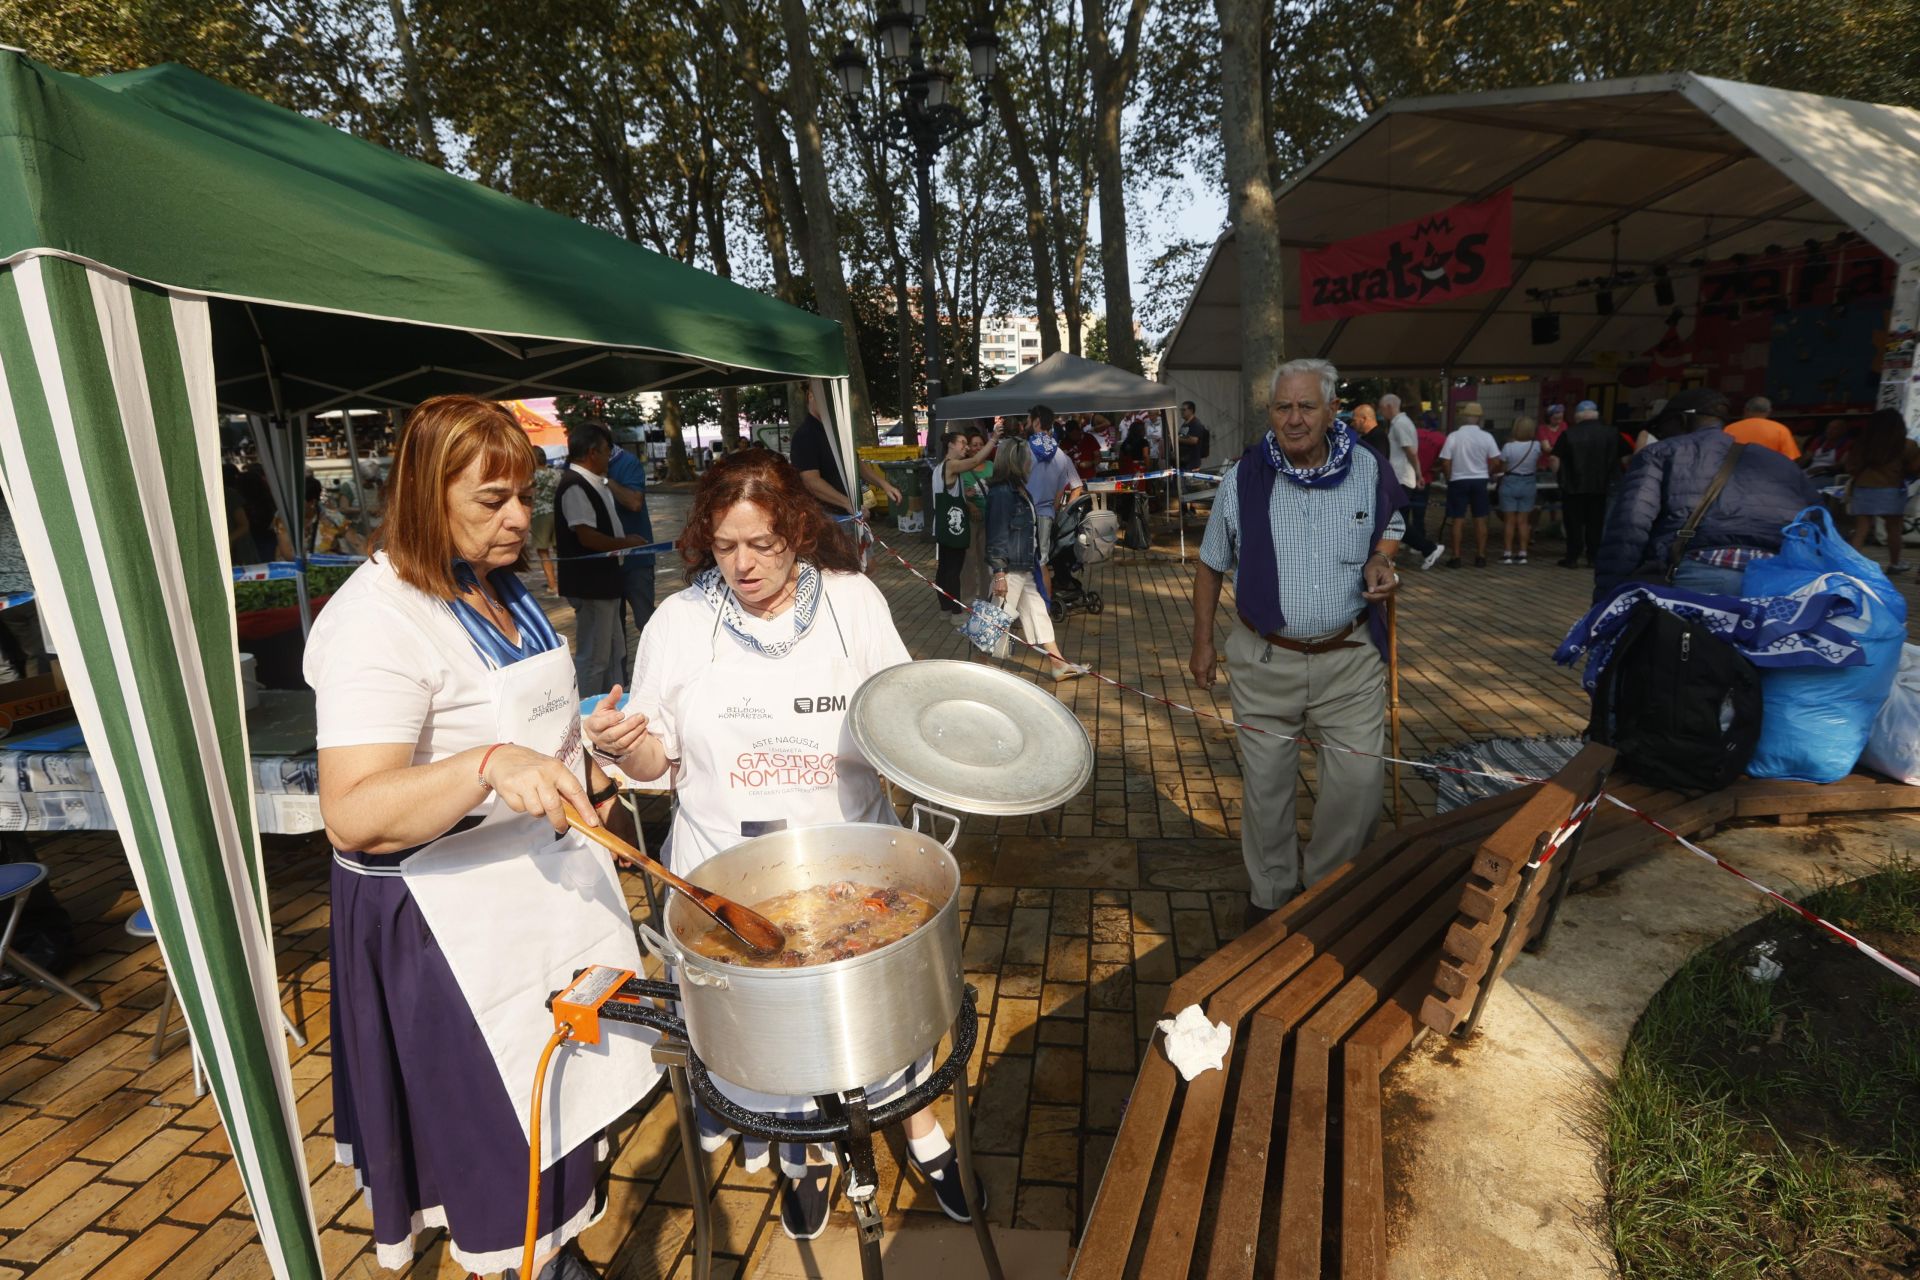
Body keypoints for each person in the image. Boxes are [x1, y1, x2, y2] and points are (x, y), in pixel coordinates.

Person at [585, 450, 979, 1238]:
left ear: (796, 530)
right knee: (776, 1042)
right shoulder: (680, 623)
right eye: (726, 546)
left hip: (855, 864)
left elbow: (898, 716)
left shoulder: (851, 602)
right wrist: (620, 747)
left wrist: (947, 753)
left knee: (881, 1018)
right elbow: (656, 765)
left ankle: (920, 1131)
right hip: (728, 884)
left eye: (761, 544)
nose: (744, 565)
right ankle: (808, 1157)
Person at [307, 395, 643, 1279]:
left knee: (560, 1113)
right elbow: (353, 810)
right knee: (500, 1145)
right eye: (492, 499)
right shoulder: (374, 624)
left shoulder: (493, 585)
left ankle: (556, 1252)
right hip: (448, 932)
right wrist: (487, 763)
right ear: (424, 493)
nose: (520, 519)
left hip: (539, 895)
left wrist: (587, 756)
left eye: (525, 496)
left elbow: (525, 720)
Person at [1188, 358, 1405, 929]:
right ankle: (1271, 895)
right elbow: (1211, 565)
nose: (1294, 418)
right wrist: (1203, 643)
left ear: (1332, 409)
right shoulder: (1244, 477)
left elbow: (1395, 524)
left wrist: (1383, 556)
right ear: (1271, 413)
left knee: (1357, 785)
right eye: (1283, 407)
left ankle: (1326, 892)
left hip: (1350, 657)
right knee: (1266, 790)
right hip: (1265, 660)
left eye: (1307, 405)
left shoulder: (1368, 469)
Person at [1594, 388, 1818, 598]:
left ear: (1682, 420)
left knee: (1677, 639)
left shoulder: (1661, 453)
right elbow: (1817, 523)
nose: (1661, 436)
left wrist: (1608, 594)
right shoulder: (1780, 463)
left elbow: (1631, 524)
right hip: (1777, 580)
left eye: (1661, 429)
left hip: (1700, 572)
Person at [556, 422, 653, 698]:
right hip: (592, 584)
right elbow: (587, 537)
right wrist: (626, 543)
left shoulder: (593, 483)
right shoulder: (575, 485)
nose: (610, 458)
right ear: (592, 453)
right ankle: (587, 710)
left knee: (614, 650)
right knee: (595, 656)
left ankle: (615, 701)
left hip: (606, 582)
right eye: (607, 451)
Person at [985, 434, 1089, 681]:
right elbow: (997, 535)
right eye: (1027, 458)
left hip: (1024, 564)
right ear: (1017, 461)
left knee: (1038, 612)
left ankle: (1058, 663)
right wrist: (999, 574)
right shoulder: (1003, 493)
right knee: (995, 621)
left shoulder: (1018, 489)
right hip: (1009, 568)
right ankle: (980, 668)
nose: (1031, 463)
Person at [789, 384, 901, 516]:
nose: (830, 403)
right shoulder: (805, 435)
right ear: (811, 396)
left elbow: (855, 463)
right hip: (824, 517)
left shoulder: (836, 431)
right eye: (825, 398)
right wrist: (847, 503)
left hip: (848, 513)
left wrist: (884, 485)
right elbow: (811, 481)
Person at [1552, 400, 1628, 569]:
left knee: (1574, 523)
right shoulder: (1612, 433)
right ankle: (1593, 556)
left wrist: (1559, 476)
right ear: (1596, 415)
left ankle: (1572, 557)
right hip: (1602, 485)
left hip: (1573, 486)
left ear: (1577, 417)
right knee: (1596, 523)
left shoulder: (1568, 434)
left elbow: (1554, 458)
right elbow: (1625, 458)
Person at [1844, 408, 1920, 572]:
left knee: (1861, 529)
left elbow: (1850, 466)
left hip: (1863, 488)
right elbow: (1916, 468)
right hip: (1891, 489)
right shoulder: (1906, 444)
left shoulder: (1862, 444)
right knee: (1894, 529)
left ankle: (1848, 566)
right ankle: (1895, 563)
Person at [932, 427, 994, 622]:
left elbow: (947, 493)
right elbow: (975, 461)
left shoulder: (939, 468)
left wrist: (963, 496)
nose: (966, 447)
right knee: (953, 569)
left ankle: (945, 609)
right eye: (963, 443)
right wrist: (994, 440)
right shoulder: (951, 465)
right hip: (954, 526)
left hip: (942, 524)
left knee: (944, 568)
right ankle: (957, 612)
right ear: (951, 445)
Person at [604, 437, 657, 659]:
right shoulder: (578, 468)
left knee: (645, 621)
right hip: (605, 562)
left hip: (636, 559)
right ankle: (620, 681)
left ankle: (659, 670)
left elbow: (635, 502)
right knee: (611, 632)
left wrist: (605, 480)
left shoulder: (628, 463)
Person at [1023, 404, 1085, 586]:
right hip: (1047, 515)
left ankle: (1031, 607)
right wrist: (1059, 511)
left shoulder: (1023, 451)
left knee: (1023, 566)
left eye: (1027, 420)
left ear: (1035, 422)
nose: (1025, 424)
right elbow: (1075, 487)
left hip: (1024, 515)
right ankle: (1045, 607)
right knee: (1042, 563)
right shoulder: (1060, 455)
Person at [1438, 402, 1502, 568]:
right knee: (1480, 518)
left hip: (1458, 480)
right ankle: (1480, 555)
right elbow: (1496, 460)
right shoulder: (1487, 437)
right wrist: (1487, 472)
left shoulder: (1454, 436)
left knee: (1457, 519)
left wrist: (1449, 476)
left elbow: (1445, 461)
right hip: (1479, 479)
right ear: (1480, 418)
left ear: (1464, 417)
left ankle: (1456, 556)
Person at [1379, 393, 1438, 567]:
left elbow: (1410, 451)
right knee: (1397, 521)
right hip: (1401, 478)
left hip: (1401, 479)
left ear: (1389, 407)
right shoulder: (1401, 423)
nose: (1382, 413)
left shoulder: (1400, 424)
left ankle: (1428, 548)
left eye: (1382, 409)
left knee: (1395, 521)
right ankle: (1399, 554)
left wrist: (1419, 473)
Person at [1495, 417, 1545, 564]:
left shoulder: (1508, 447)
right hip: (1528, 482)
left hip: (1510, 482)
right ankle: (1523, 553)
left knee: (1509, 521)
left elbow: (1503, 467)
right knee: (1523, 521)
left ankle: (1507, 553)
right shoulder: (1535, 446)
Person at [1723, 395, 1801, 459]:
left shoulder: (1730, 428)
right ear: (1769, 412)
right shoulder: (1781, 430)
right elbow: (1790, 459)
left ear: (1746, 410)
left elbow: (1721, 454)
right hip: (1769, 474)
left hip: (1737, 474)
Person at [528, 451, 562, 594]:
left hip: (540, 514)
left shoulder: (532, 476)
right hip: (556, 513)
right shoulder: (556, 473)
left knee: (543, 552)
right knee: (559, 551)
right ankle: (565, 582)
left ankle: (552, 585)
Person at [1177, 401, 1210, 474]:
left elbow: (1194, 440)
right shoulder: (1185, 424)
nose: (1181, 412)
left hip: (1191, 463)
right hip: (1184, 461)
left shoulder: (1196, 424)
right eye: (1181, 410)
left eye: (1184, 410)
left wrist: (1177, 439)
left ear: (1191, 410)